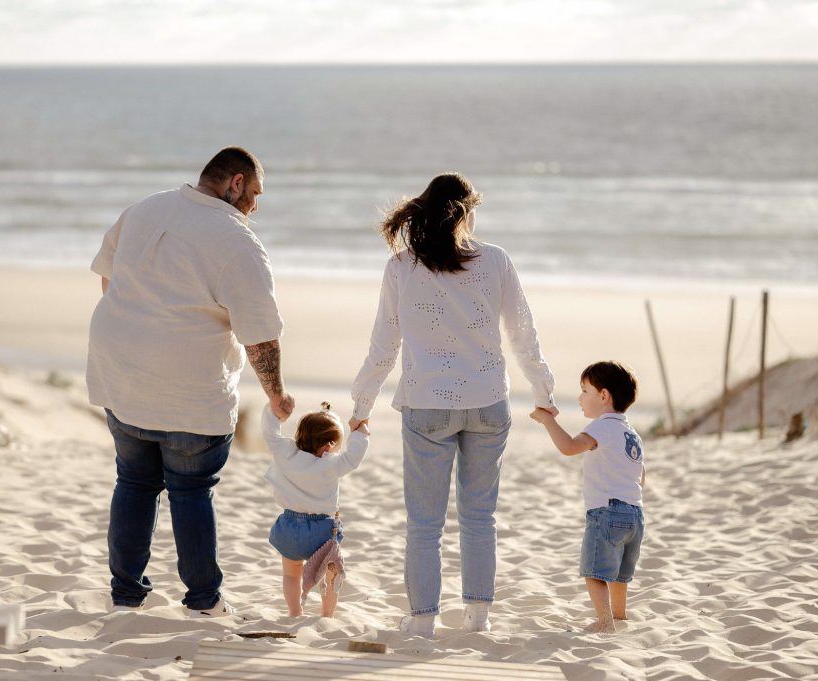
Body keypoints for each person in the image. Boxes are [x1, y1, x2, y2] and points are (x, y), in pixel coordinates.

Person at [86, 147, 295, 615]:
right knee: (190, 490)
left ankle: (125, 595)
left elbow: (109, 282)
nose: (256, 207)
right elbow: (261, 336)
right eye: (255, 193)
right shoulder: (237, 241)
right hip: (188, 388)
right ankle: (203, 601)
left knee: (134, 481)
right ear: (235, 183)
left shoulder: (146, 208)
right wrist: (277, 395)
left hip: (120, 372)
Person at [351, 173, 556, 637]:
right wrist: (543, 393)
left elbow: (383, 346)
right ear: (467, 212)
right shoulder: (496, 261)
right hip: (487, 402)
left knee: (425, 523)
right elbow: (525, 336)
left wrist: (362, 403)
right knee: (479, 516)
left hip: (427, 407)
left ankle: (422, 620)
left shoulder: (401, 266)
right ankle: (477, 618)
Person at [529, 361, 645, 633]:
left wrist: (548, 420)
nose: (580, 398)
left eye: (584, 391)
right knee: (618, 574)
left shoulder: (602, 426)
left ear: (604, 396)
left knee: (595, 573)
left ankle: (605, 622)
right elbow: (641, 476)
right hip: (635, 514)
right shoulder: (632, 434)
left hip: (606, 511)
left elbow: (569, 447)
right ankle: (619, 615)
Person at [262, 402, 369, 617]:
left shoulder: (286, 453)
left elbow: (270, 433)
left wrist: (274, 411)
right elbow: (353, 458)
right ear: (329, 444)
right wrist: (360, 434)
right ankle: (327, 614)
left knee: (291, 575)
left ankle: (294, 611)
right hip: (321, 532)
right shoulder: (330, 464)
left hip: (289, 529)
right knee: (331, 575)